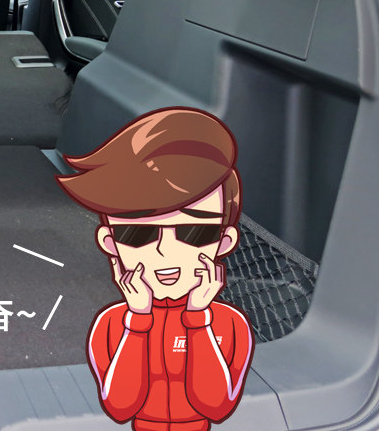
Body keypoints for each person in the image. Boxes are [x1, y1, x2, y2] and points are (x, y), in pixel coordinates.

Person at [56, 107, 254, 431]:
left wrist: (198, 317)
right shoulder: (112, 323)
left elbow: (216, 406)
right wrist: (138, 319)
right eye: (137, 234)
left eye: (194, 233)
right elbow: (120, 407)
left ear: (225, 241)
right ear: (110, 242)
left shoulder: (229, 323)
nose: (165, 251)